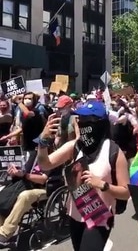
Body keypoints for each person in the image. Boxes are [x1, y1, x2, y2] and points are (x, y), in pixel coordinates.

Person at [37, 101, 130, 251]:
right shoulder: (75, 146)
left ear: (100, 124)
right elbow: (45, 164)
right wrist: (42, 141)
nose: (81, 123)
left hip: (100, 218)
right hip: (75, 217)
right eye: (79, 119)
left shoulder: (113, 151)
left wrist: (102, 185)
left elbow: (126, 193)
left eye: (87, 121)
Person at [0, 151, 48, 248]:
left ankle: (4, 234)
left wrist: (24, 175)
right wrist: (14, 172)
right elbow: (20, 172)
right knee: (4, 193)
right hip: (24, 185)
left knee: (25, 196)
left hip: (43, 189)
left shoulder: (50, 157)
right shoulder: (30, 155)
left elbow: (43, 179)